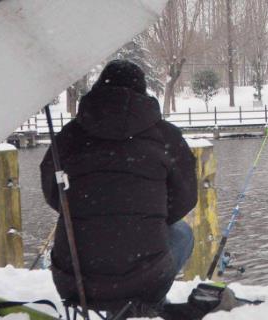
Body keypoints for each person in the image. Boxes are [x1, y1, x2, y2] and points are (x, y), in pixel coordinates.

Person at [40, 60, 197, 317]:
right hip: (145, 277)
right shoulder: (164, 135)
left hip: (74, 279)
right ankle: (145, 303)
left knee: (79, 232)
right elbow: (186, 197)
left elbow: (52, 192)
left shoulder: (69, 136)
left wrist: (88, 207)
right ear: (143, 91)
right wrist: (151, 215)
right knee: (182, 234)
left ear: (99, 87)